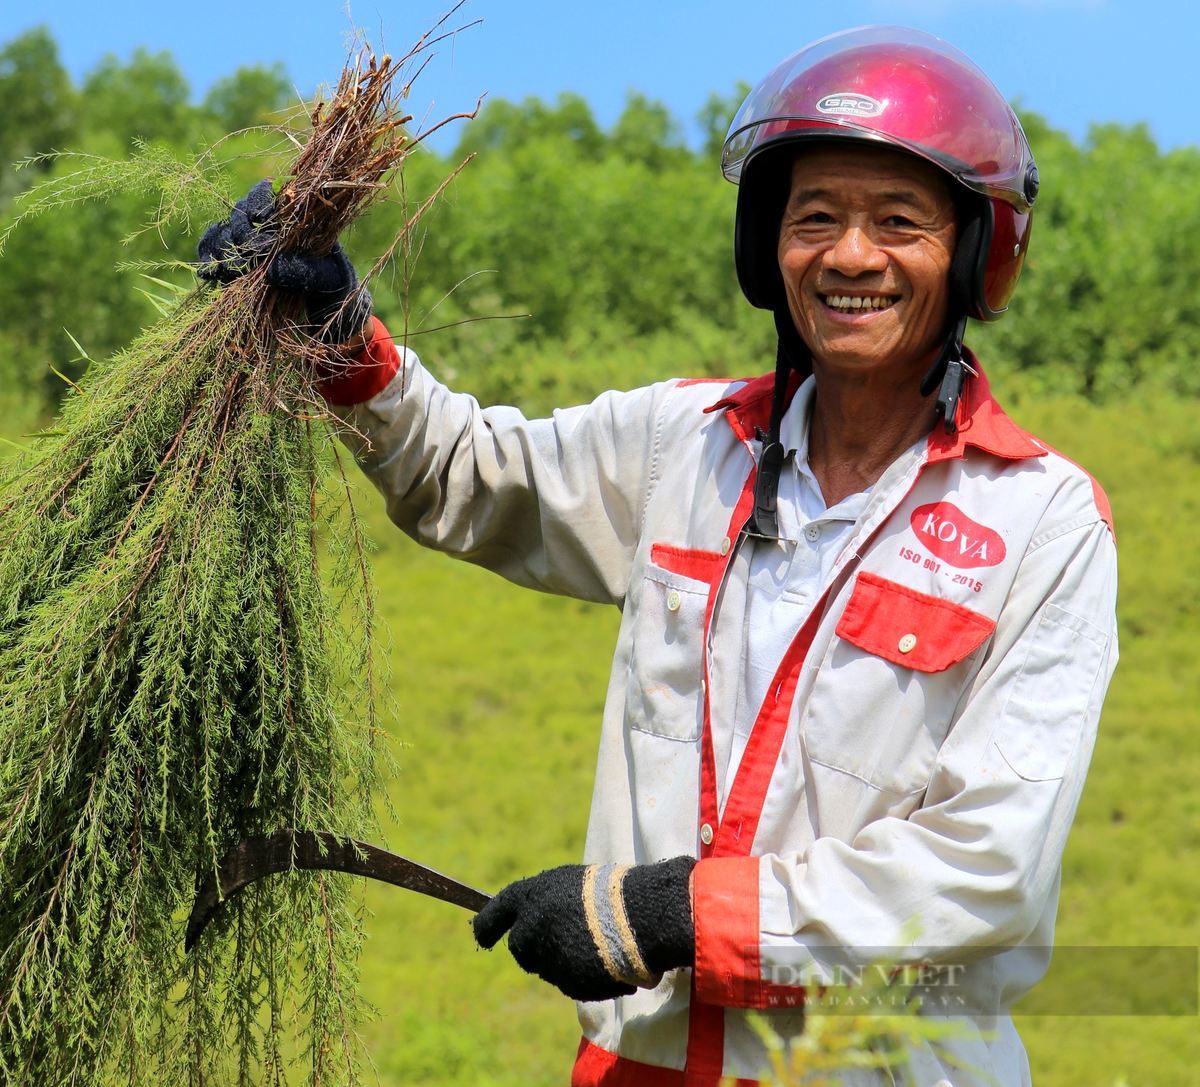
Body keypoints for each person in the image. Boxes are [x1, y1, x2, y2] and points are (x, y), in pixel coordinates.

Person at [199, 25, 1118, 1087]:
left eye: (899, 221)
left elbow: (986, 867)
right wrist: (338, 332)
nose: (850, 256)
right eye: (814, 217)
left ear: (975, 252)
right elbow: (466, 474)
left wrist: (675, 912)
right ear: (765, 245)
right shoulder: (685, 443)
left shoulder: (1041, 522)